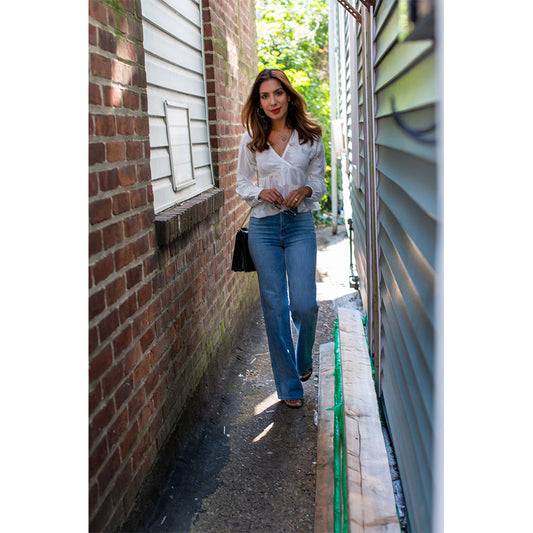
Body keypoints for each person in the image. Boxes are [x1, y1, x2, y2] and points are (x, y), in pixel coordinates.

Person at [236, 68, 326, 409]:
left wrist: (305, 189)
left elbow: (318, 183)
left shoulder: (311, 138)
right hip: (265, 230)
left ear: (289, 95)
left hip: (300, 224)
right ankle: (289, 386)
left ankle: (303, 361)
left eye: (277, 93)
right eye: (264, 96)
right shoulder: (251, 139)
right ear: (258, 102)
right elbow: (242, 183)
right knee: (276, 307)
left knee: (305, 303)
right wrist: (261, 192)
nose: (272, 101)